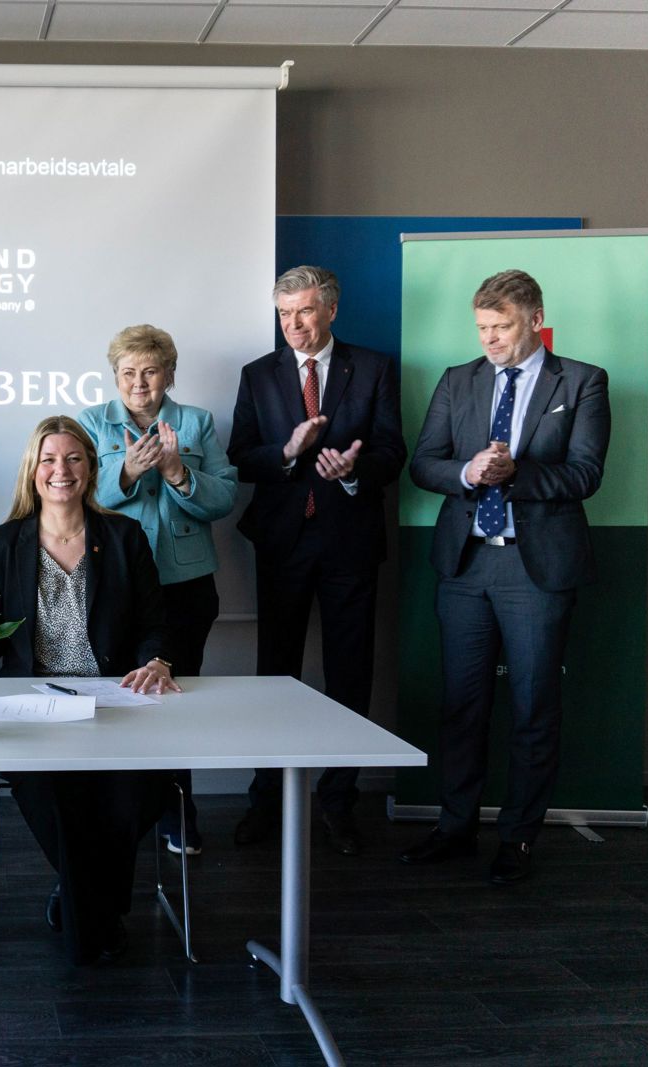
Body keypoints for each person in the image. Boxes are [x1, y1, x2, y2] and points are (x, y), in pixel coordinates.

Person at [403, 269, 609, 884]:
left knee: (533, 707)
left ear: (535, 318)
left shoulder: (582, 381)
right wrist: (468, 474)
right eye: (482, 328)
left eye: (502, 326)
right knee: (461, 706)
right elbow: (424, 464)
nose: (490, 339)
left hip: (536, 569)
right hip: (465, 565)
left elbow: (585, 474)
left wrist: (514, 472)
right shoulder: (457, 379)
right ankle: (455, 827)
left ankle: (518, 838)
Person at [0, 415, 179, 965]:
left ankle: (78, 895)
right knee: (55, 796)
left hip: (115, 702)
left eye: (73, 458)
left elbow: (155, 623)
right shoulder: (2, 543)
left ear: (91, 468)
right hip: (32, 708)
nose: (60, 470)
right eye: (48, 459)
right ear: (32, 470)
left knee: (135, 793)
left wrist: (157, 660)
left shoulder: (124, 537)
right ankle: (101, 917)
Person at [227, 266, 407, 856]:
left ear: (331, 309)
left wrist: (354, 470)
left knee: (349, 674)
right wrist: (285, 452)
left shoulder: (373, 368)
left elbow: (392, 452)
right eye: (284, 314)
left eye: (304, 311)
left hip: (349, 539)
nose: (294, 325)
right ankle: (267, 799)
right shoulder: (258, 374)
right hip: (282, 541)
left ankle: (338, 802)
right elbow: (239, 457)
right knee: (274, 675)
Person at [79, 324, 237, 856]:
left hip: (184, 587)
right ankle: (113, 815)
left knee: (172, 702)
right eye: (128, 372)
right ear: (114, 376)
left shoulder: (196, 422)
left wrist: (177, 473)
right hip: (114, 586)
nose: (139, 383)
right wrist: (123, 473)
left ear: (169, 374)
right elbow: (73, 496)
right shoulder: (91, 423)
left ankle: (176, 813)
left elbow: (223, 498)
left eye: (150, 371)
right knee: (114, 701)